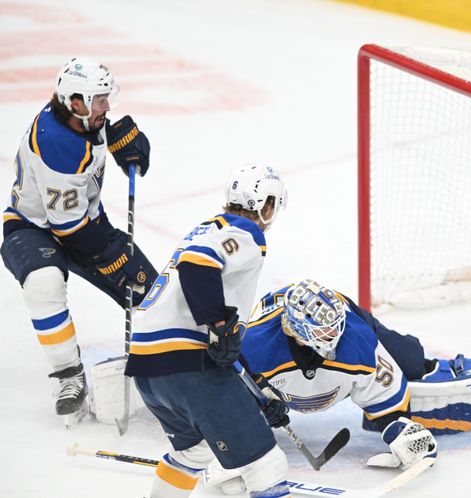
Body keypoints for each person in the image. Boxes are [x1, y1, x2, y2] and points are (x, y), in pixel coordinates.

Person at [209, 278, 471, 494]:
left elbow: (386, 397)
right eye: (324, 335)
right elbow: (223, 388)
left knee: (410, 360)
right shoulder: (255, 346)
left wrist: (398, 430)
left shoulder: (354, 338)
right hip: (278, 327)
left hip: (347, 315)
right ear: (299, 334)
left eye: (334, 331)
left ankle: (453, 367)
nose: (334, 339)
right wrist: (253, 413)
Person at [1, 56, 157, 423]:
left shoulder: (80, 120)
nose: (107, 107)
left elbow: (94, 147)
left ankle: (178, 363)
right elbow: (68, 228)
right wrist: (111, 254)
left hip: (85, 223)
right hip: (32, 228)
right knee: (43, 284)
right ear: (75, 102)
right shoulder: (56, 142)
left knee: (153, 298)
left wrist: (120, 142)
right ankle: (69, 375)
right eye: (99, 100)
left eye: (106, 99)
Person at [124, 164, 290, 498]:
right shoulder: (245, 231)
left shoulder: (206, 230)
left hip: (148, 368)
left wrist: (257, 390)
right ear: (264, 203)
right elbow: (196, 266)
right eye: (272, 203)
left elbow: (222, 341)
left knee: (194, 453)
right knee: (266, 466)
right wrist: (219, 324)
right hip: (188, 369)